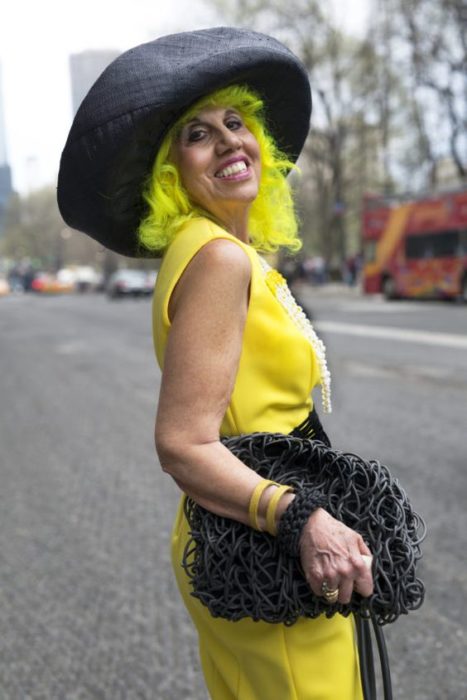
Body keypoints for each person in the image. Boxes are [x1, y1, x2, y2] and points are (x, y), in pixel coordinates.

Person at [57, 28, 373, 699]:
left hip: (238, 530)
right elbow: (181, 442)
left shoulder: (210, 249)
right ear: (169, 172)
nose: (229, 140)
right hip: (266, 541)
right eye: (198, 133)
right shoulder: (219, 259)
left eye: (236, 121)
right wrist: (303, 519)